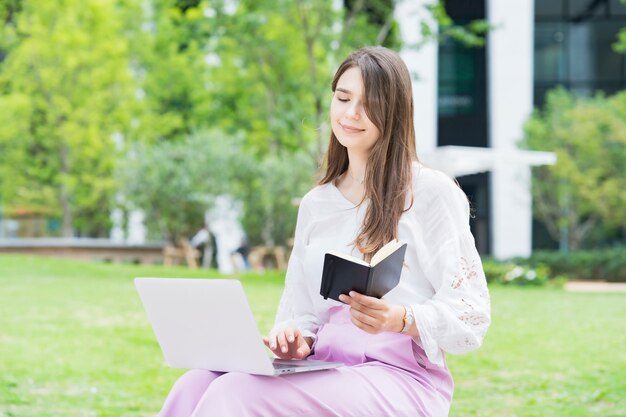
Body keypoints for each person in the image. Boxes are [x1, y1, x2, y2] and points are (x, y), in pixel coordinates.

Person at [157, 46, 491, 417]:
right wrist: (296, 340)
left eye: (368, 104)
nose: (350, 114)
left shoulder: (430, 192)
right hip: (324, 368)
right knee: (196, 383)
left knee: (236, 392)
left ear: (394, 112)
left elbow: (471, 317)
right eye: (342, 98)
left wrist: (398, 318)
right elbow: (300, 312)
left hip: (399, 379)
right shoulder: (317, 204)